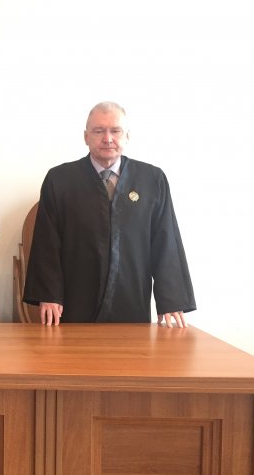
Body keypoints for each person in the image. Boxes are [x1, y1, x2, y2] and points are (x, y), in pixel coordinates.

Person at [23, 101, 195, 327]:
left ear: (127, 136)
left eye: (115, 130)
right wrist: (50, 294)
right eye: (98, 131)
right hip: (74, 301)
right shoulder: (60, 180)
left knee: (131, 348)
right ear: (86, 136)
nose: (107, 138)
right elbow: (47, 243)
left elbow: (166, 241)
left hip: (132, 298)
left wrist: (171, 300)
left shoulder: (152, 180)